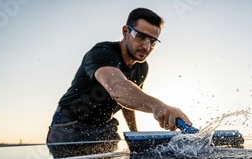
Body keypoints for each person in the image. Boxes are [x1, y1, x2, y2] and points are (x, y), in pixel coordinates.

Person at [46, 8, 192, 144]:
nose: (146, 47)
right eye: (140, 36)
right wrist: (158, 106)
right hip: (69, 125)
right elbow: (118, 89)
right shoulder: (102, 53)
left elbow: (129, 100)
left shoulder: (142, 66)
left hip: (105, 126)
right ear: (126, 32)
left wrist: (135, 133)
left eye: (152, 41)